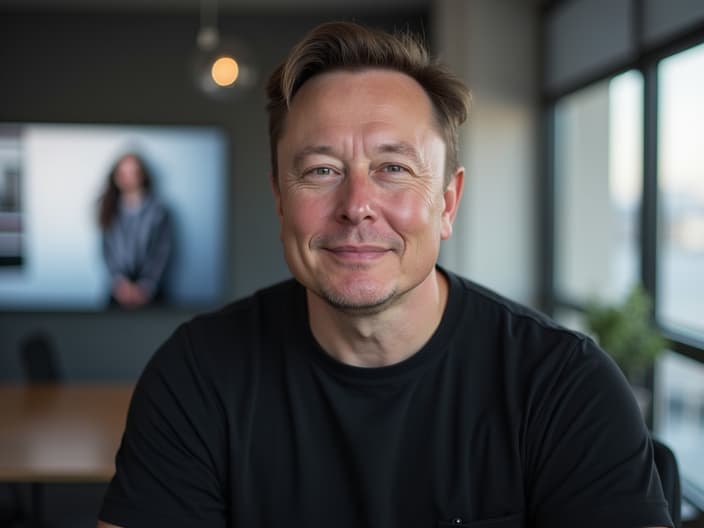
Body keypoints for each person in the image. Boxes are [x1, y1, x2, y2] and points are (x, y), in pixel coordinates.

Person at [98, 22, 673, 528]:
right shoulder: (196, 374)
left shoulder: (563, 386)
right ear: (280, 199)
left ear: (447, 202)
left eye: (393, 168)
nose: (357, 204)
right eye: (321, 170)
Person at [98, 152, 172, 308]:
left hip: (152, 291)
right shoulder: (109, 209)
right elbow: (107, 250)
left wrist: (146, 286)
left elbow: (163, 251)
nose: (127, 178)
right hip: (119, 290)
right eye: (123, 173)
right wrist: (120, 283)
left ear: (142, 175)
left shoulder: (158, 211)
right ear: (115, 177)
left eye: (133, 172)